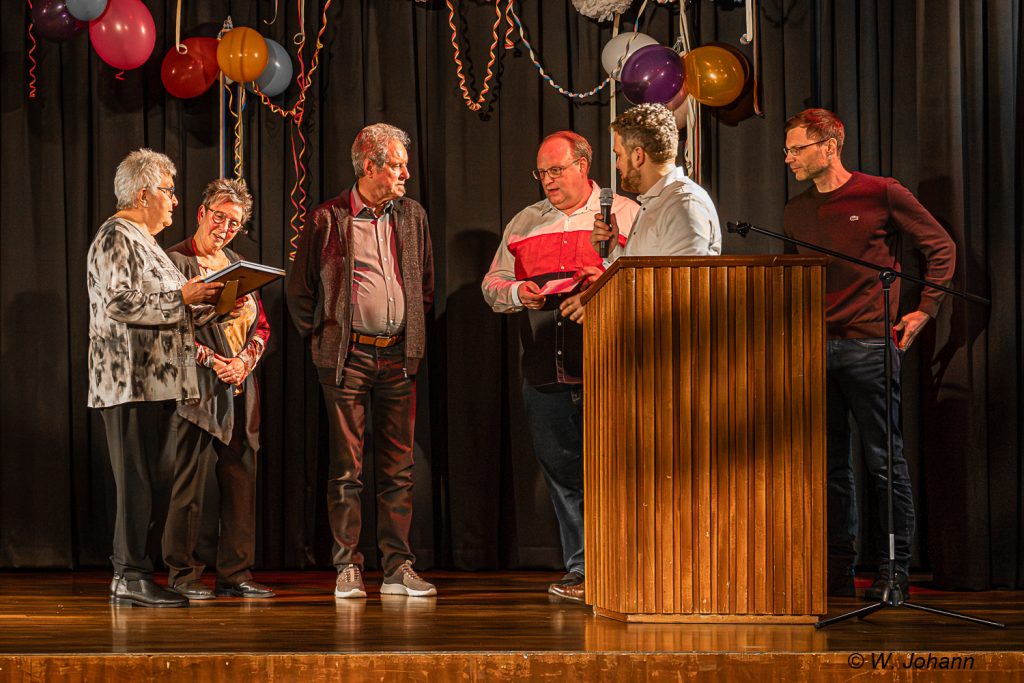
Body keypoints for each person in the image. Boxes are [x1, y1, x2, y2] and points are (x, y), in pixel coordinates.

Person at [781, 108, 956, 599]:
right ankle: (838, 571)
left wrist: (925, 309)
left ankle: (893, 571)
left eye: (797, 149)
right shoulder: (795, 211)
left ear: (829, 146)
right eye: (787, 150)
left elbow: (940, 247)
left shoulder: (880, 192)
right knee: (829, 466)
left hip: (868, 345)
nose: (788, 158)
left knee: (883, 462)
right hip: (814, 349)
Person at [481, 131, 639, 603]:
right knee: (564, 475)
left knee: (617, 470)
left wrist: (603, 282)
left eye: (556, 170)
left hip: (608, 367)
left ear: (583, 166)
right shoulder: (525, 221)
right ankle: (581, 569)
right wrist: (517, 292)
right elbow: (492, 283)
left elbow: (646, 277)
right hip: (544, 370)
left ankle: (627, 568)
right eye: (542, 172)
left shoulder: (624, 213)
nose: (548, 180)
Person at [287, 123, 436, 599]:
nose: (406, 174)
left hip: (398, 356)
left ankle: (397, 568)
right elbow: (300, 290)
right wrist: (323, 340)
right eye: (397, 166)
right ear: (370, 166)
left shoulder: (412, 215)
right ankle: (347, 566)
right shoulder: (327, 218)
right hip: (346, 359)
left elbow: (424, 285)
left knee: (398, 470)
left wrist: (409, 333)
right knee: (346, 469)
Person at [87, 149, 223, 607]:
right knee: (136, 484)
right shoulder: (116, 236)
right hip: (129, 382)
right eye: (168, 191)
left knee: (155, 484)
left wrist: (212, 305)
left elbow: (168, 306)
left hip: (160, 382)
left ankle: (137, 573)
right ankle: (128, 575)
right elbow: (119, 303)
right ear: (143, 195)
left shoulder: (146, 242)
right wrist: (183, 297)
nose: (175, 201)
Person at [162, 178, 275, 601]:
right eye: (220, 218)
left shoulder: (238, 263)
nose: (225, 228)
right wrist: (214, 362)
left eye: (234, 223)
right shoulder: (174, 261)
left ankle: (235, 573)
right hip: (196, 389)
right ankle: (182, 574)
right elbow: (168, 331)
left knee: (241, 480)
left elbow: (261, 326)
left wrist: (243, 363)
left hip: (240, 385)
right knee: (189, 485)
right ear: (201, 214)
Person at [562, 103, 722, 323]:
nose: (617, 165)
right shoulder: (656, 202)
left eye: (618, 155)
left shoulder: (683, 205)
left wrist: (601, 300)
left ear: (638, 156)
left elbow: (683, 287)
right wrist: (614, 251)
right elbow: (643, 276)